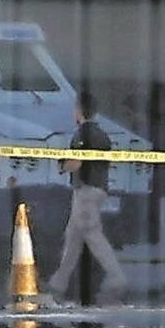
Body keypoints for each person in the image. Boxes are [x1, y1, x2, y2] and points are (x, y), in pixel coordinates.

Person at [48, 92, 127, 303]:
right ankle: (58, 283)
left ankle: (117, 278)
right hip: (96, 189)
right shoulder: (102, 134)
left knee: (92, 235)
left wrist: (61, 165)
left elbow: (76, 162)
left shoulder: (83, 134)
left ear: (79, 110)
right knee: (73, 238)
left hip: (86, 191)